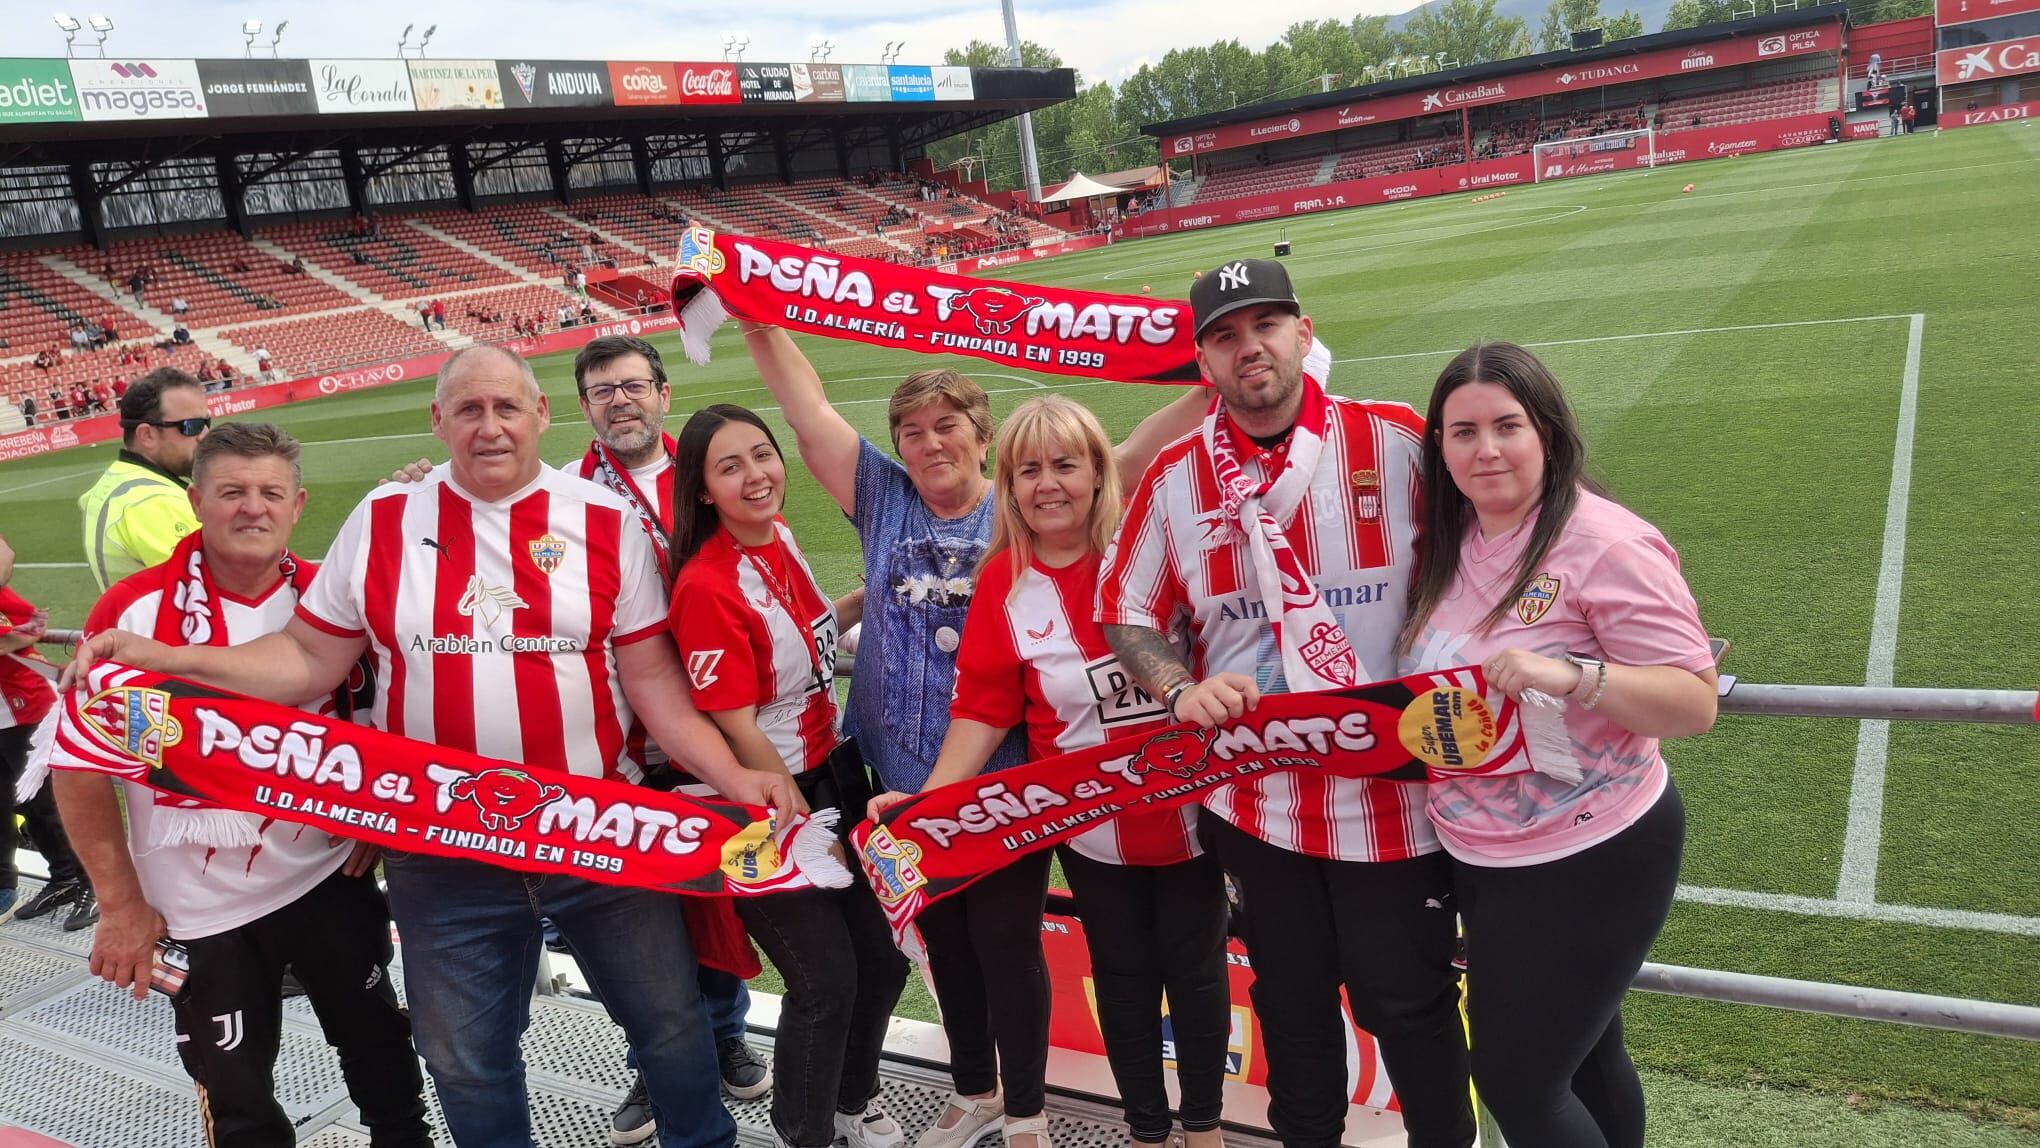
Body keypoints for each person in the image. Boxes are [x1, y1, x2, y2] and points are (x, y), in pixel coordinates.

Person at [68, 344, 797, 1148]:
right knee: (460, 1056)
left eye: (507, 408)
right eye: (470, 410)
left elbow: (656, 689)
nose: (490, 427)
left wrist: (735, 774)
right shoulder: (384, 517)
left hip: (595, 836)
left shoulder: (605, 521)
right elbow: (310, 658)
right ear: (439, 419)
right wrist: (177, 659)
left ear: (541, 415)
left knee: (669, 1026)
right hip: (444, 848)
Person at [738, 326, 1205, 1148]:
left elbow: (1126, 453)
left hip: (1004, 777)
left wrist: (1214, 374)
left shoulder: (1021, 504)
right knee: (940, 942)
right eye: (912, 431)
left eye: (948, 425)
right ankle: (974, 1088)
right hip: (893, 770)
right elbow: (804, 411)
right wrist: (754, 319)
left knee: (1006, 944)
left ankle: (1025, 1104)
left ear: (984, 438)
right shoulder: (882, 498)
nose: (929, 443)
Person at [1099, 259, 1473, 1148]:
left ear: (1304, 333)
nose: (1248, 348)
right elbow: (1127, 612)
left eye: (1264, 325)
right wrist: (1178, 687)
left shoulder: (1394, 441)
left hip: (1397, 802)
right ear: (1205, 363)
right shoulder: (1175, 479)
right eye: (1225, 336)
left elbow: (1499, 548)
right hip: (1260, 809)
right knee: (1292, 1017)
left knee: (1411, 1010)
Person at [55, 424, 434, 1148]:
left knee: (382, 1052)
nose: (252, 509)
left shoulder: (337, 598)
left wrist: (374, 820)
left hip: (328, 874)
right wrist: (120, 903)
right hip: (199, 908)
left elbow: (389, 725)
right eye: (231, 492)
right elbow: (77, 766)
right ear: (196, 501)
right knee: (238, 1099)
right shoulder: (132, 615)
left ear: (299, 505)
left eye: (270, 493)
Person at [869, 397, 1229, 1148]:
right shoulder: (1004, 581)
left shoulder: (1149, 550)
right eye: (1028, 470)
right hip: (1092, 829)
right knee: (1123, 979)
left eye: (1065, 464)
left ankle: (1203, 1129)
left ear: (1100, 473)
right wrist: (930, 805)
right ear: (1008, 485)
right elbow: (984, 708)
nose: (1047, 485)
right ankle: (1146, 1132)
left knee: (1198, 976)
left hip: (1193, 817)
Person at [1395, 344, 1716, 1148]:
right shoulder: (1452, 537)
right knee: (1585, 1052)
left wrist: (1574, 675)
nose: (1487, 449)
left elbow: (1693, 701)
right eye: (1463, 432)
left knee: (1517, 1077)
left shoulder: (1605, 542)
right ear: (1440, 445)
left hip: (1591, 851)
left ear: (1547, 431)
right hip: (1482, 853)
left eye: (1507, 426)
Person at [667, 404, 909, 1148]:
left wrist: (870, 596)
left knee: (886, 957)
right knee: (825, 978)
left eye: (762, 456)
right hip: (762, 804)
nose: (756, 476)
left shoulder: (784, 541)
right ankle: (803, 1132)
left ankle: (852, 1103)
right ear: (703, 490)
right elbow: (738, 725)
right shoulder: (705, 586)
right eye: (730, 466)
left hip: (837, 773)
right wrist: (808, 827)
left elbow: (804, 641)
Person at [1, 534, 95, 930]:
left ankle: (94, 886)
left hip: (23, 701)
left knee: (51, 801)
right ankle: (64, 879)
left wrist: (16, 636)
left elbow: (26, 625)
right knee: (22, 803)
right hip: (5, 710)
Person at [79, 368, 209, 592]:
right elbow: (211, 595)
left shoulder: (120, 481)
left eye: (207, 422)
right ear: (147, 435)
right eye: (192, 426)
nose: (205, 435)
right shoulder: (153, 502)